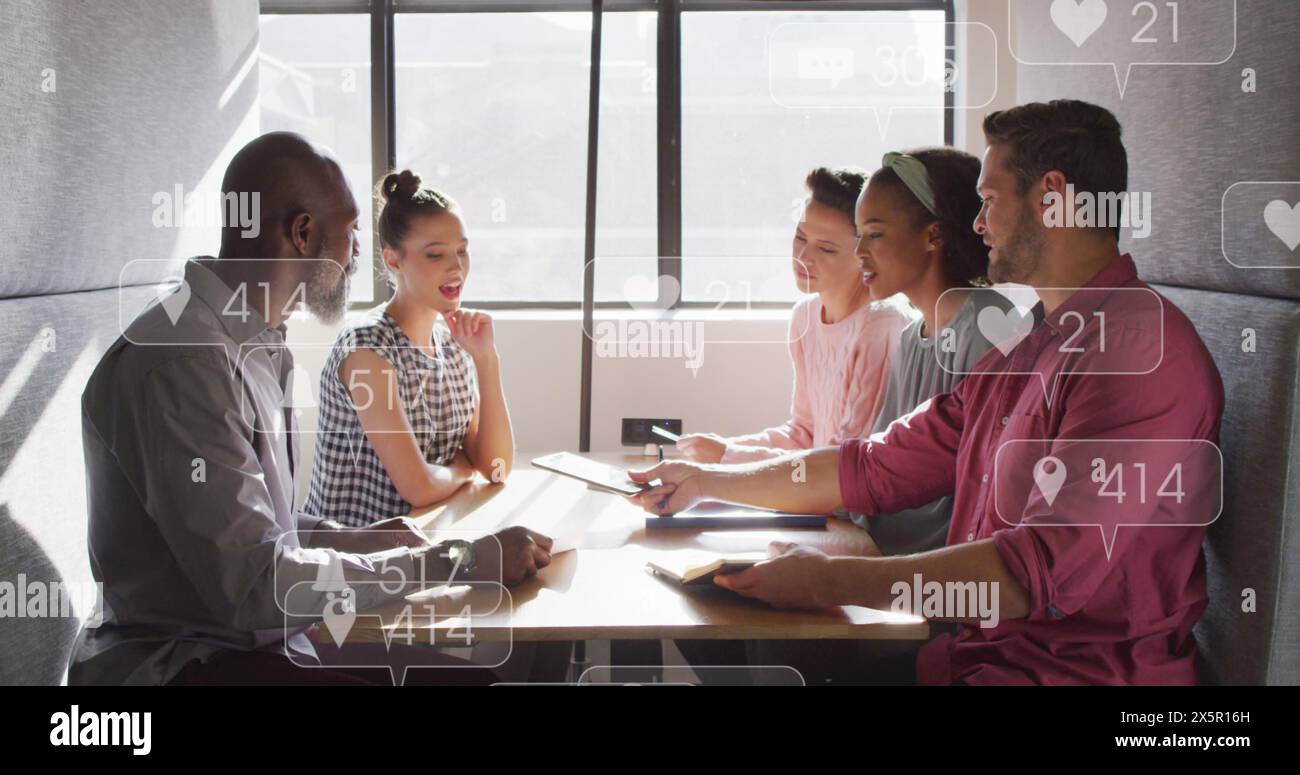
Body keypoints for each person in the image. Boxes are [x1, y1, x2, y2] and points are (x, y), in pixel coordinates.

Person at [631, 100, 1225, 685]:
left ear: (1052, 196)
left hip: (1071, 676)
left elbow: (1028, 574)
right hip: (973, 660)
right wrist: (710, 482)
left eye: (990, 201)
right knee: (731, 630)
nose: (977, 223)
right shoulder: (1029, 351)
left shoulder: (1139, 355)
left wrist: (829, 580)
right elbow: (873, 467)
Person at [70, 133, 552, 685]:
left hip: (258, 642)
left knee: (489, 667)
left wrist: (355, 537)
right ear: (301, 233)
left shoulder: (253, 339)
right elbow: (253, 587)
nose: (356, 255)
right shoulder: (184, 364)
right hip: (188, 665)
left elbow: (251, 528)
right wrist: (460, 560)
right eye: (349, 233)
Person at [304, 170, 513, 526]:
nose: (456, 267)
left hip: (426, 541)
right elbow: (417, 487)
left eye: (462, 251)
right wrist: (464, 469)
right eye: (435, 255)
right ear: (393, 260)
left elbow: (496, 467)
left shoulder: (451, 341)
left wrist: (486, 360)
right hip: (355, 562)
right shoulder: (366, 350)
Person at [675, 167, 914, 465]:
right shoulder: (805, 316)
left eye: (825, 249)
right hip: (819, 491)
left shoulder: (881, 326)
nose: (802, 257)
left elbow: (845, 463)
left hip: (852, 503)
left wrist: (728, 456)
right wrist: (720, 447)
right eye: (800, 237)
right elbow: (803, 433)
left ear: (864, 254)